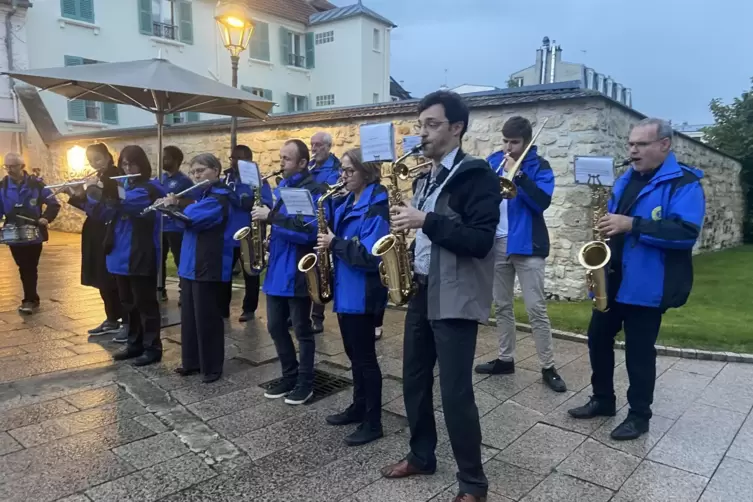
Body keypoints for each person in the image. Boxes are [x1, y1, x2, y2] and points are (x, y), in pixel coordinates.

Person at [379, 91, 501, 502]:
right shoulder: (425, 175)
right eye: (421, 124)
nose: (422, 132)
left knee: (454, 390)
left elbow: (480, 241)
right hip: (423, 288)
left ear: (456, 128)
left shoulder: (477, 176)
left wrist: (424, 220)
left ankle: (473, 483)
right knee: (413, 378)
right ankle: (421, 455)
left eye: (432, 124)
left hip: (456, 294)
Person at [568, 118, 706, 440]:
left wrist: (632, 225)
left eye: (641, 144)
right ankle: (602, 400)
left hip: (648, 285)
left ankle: (639, 416)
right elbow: (610, 222)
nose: (632, 150)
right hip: (612, 278)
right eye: (630, 144)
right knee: (597, 339)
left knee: (639, 353)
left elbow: (685, 234)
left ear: (664, 145)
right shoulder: (624, 179)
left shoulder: (684, 183)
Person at [474, 116, 567, 393]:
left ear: (526, 142)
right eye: (505, 141)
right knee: (501, 306)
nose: (509, 147)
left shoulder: (539, 166)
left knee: (536, 309)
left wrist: (520, 175)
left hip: (528, 244)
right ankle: (505, 358)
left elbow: (542, 202)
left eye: (514, 142)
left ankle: (548, 366)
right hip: (498, 242)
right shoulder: (493, 162)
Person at [317, 148, 388, 446]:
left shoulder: (378, 205)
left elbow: (372, 255)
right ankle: (359, 406)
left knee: (366, 359)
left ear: (367, 172)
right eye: (341, 170)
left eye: (349, 171)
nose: (342, 176)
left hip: (364, 293)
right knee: (354, 356)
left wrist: (335, 243)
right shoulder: (347, 200)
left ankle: (373, 422)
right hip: (347, 291)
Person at [251, 139, 325, 406]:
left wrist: (271, 218)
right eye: (280, 158)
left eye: (286, 159)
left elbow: (308, 231)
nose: (280, 163)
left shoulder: (314, 191)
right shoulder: (283, 187)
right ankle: (289, 375)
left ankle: (305, 383)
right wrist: (271, 237)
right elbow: (286, 226)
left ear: (303, 163)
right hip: (277, 270)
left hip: (297, 270)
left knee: (302, 330)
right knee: (274, 326)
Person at [159, 153, 237, 383]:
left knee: (207, 318)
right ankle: (192, 361)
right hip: (190, 264)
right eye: (193, 172)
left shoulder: (220, 196)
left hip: (208, 263)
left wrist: (173, 206)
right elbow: (186, 220)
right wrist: (170, 208)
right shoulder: (202, 195)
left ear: (216, 170)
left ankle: (212, 367)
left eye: (201, 170)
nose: (196, 175)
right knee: (190, 317)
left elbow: (193, 218)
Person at [86, 145, 166, 366]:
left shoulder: (149, 188)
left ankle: (152, 348)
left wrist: (103, 192)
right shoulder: (122, 186)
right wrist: (87, 196)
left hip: (141, 252)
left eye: (132, 163)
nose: (127, 167)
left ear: (142, 164)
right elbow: (102, 214)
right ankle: (134, 343)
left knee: (145, 304)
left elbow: (128, 204)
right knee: (128, 303)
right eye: (124, 164)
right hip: (119, 254)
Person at [65, 144, 126, 338]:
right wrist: (74, 194)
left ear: (108, 157)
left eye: (98, 159)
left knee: (112, 277)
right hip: (94, 230)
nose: (94, 164)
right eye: (91, 161)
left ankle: (125, 319)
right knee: (100, 276)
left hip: (109, 230)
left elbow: (107, 207)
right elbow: (90, 207)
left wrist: (88, 191)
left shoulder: (115, 178)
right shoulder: (97, 178)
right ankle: (111, 317)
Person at [0, 153, 60, 314]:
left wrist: (46, 218)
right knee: (24, 266)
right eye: (7, 166)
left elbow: (53, 204)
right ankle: (31, 298)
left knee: (29, 266)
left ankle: (30, 299)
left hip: (34, 232)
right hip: (14, 233)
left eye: (12, 166)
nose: (9, 170)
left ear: (22, 166)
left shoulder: (37, 185)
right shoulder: (2, 187)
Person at [222, 144, 273, 323]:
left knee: (250, 273)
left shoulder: (258, 180)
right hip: (228, 235)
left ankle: (249, 309)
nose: (234, 161)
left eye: (238, 158)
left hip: (248, 234)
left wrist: (246, 201)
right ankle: (222, 308)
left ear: (249, 160)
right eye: (232, 158)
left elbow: (267, 204)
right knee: (224, 273)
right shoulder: (227, 178)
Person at [308, 131, 342, 333]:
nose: (313, 149)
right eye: (312, 144)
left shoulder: (336, 169)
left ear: (328, 147)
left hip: (328, 225)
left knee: (322, 269)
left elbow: (332, 193)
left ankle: (317, 316)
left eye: (318, 145)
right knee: (309, 269)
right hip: (308, 223)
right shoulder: (310, 167)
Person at [158, 145, 193, 303]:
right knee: (159, 259)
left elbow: (191, 201)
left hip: (175, 226)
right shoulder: (161, 179)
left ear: (176, 160)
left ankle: (183, 291)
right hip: (160, 226)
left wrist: (176, 202)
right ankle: (160, 289)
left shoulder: (184, 180)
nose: (163, 160)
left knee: (180, 259)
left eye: (167, 158)